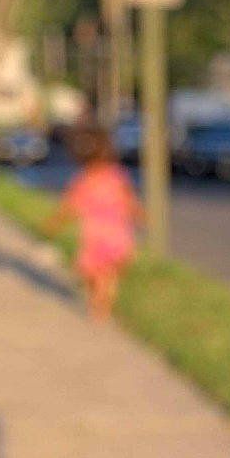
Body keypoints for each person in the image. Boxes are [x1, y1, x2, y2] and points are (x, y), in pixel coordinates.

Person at [47, 121, 141, 319]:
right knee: (109, 271)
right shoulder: (114, 175)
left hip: (95, 234)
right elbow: (128, 198)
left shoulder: (84, 179)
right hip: (116, 233)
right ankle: (104, 297)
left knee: (93, 271)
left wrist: (55, 222)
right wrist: (137, 212)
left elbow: (69, 205)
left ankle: (98, 301)